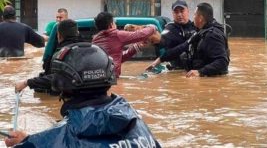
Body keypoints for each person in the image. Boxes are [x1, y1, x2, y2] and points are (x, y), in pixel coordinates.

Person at [5, 42, 162, 148]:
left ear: (62, 86)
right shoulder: (136, 122)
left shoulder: (60, 136)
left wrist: (26, 142)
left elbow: (54, 139)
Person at [15, 19, 82, 95]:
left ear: (59, 36)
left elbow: (54, 80)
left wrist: (26, 83)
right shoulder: (94, 50)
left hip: (72, 101)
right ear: (77, 33)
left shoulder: (60, 56)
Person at [92, 12, 160, 78]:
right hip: (112, 78)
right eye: (115, 22)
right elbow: (140, 35)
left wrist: (136, 47)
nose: (116, 25)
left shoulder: (95, 39)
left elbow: (116, 59)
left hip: (98, 77)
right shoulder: (116, 35)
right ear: (111, 25)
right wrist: (152, 27)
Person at [146, 0, 196, 70]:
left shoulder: (196, 26)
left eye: (182, 11)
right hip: (176, 69)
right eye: (176, 12)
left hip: (194, 68)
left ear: (188, 11)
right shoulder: (169, 29)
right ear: (173, 14)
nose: (179, 14)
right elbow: (162, 41)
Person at [42, 8, 69, 74]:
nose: (58, 19)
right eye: (57, 17)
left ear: (67, 17)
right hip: (52, 54)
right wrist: (53, 38)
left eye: (60, 17)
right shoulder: (51, 25)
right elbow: (43, 37)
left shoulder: (70, 25)